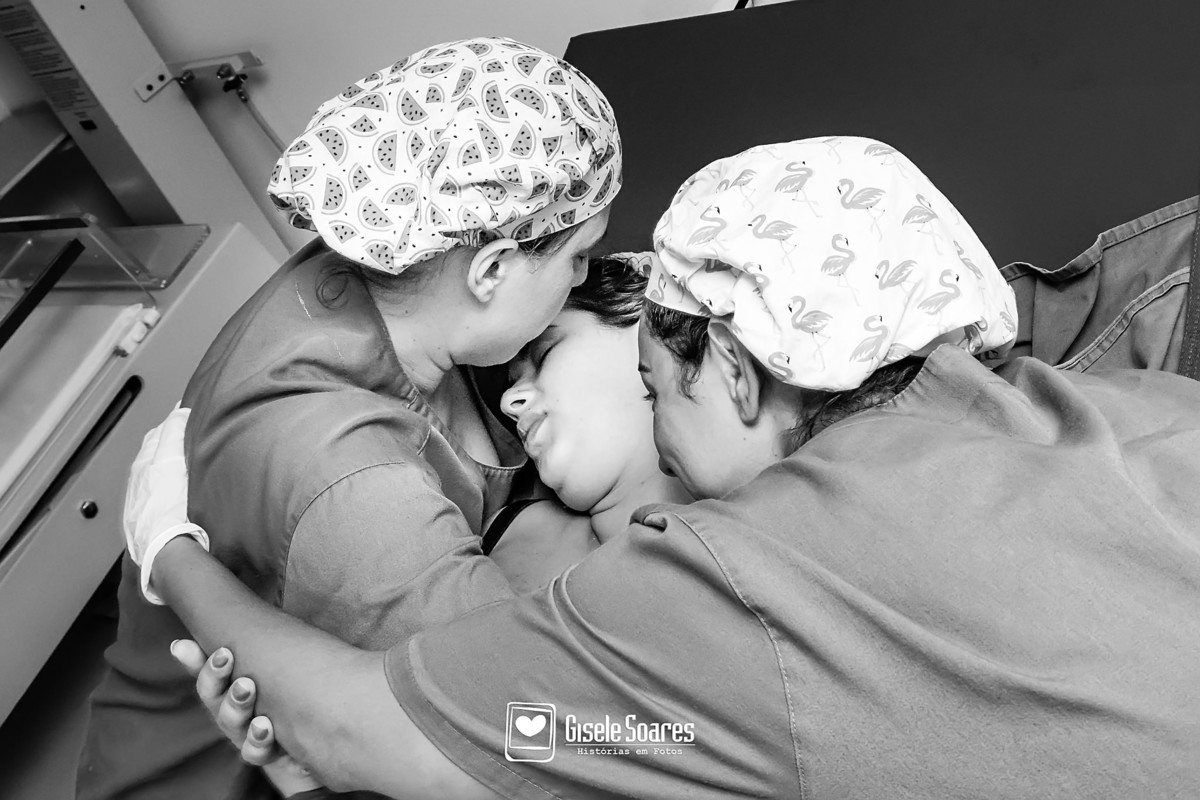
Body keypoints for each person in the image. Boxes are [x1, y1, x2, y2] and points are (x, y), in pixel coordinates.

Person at [128, 137, 1200, 798]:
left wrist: (171, 549)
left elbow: (374, 727)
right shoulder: (1135, 410)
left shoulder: (736, 587)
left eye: (654, 386)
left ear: (730, 367)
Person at [76, 36, 621, 800]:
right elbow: (534, 733)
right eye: (578, 256)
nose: (588, 277)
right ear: (491, 268)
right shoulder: (355, 491)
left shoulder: (390, 264)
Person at [486, 255, 692, 591]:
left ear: (648, 322)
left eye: (543, 355)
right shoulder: (503, 534)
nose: (508, 402)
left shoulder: (760, 532)